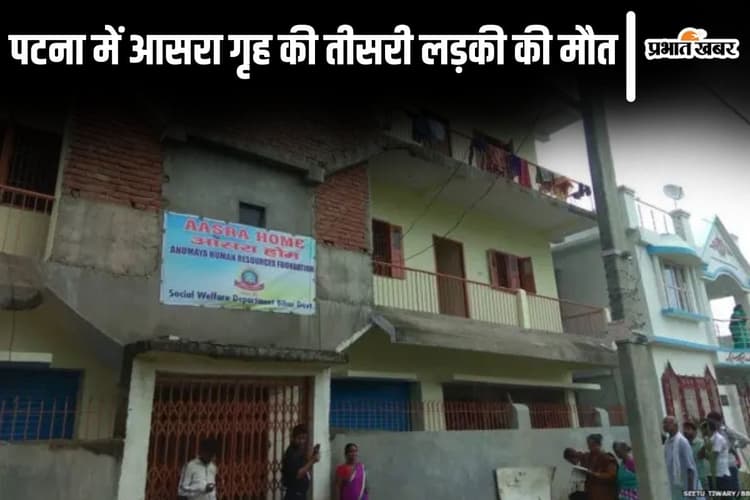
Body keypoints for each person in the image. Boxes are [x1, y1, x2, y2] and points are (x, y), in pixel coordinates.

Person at [562, 433, 617, 500]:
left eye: (592, 445)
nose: (589, 448)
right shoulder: (589, 457)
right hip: (592, 494)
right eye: (589, 445)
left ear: (599, 444)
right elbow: (579, 456)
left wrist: (594, 474)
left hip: (605, 494)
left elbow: (612, 476)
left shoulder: (607, 458)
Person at [706, 410, 749, 491]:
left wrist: (735, 447)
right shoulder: (711, 434)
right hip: (718, 468)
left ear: (719, 421)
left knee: (733, 490)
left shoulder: (726, 431)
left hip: (729, 464)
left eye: (712, 422)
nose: (711, 424)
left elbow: (745, 439)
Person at [663, 416, 700, 500]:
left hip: (686, 484)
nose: (664, 425)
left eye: (666, 423)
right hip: (674, 485)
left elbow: (690, 467)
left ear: (675, 425)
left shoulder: (682, 441)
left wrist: (691, 491)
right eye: (663, 423)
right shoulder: (667, 442)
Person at [281, 424, 320, 500]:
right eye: (299, 438)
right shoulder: (291, 453)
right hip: (294, 495)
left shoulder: (298, 451)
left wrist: (312, 456)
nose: (302, 441)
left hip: (301, 494)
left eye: (304, 438)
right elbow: (298, 474)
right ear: (293, 438)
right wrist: (312, 461)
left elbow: (304, 468)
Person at [703, 419, 733, 491]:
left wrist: (703, 452)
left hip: (721, 475)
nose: (703, 430)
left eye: (704, 428)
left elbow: (713, 457)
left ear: (709, 429)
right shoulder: (708, 439)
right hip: (712, 474)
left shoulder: (718, 438)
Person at [683, 421, 709, 492]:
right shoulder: (684, 445)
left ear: (695, 431)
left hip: (702, 477)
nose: (685, 431)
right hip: (690, 480)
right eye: (684, 429)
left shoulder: (701, 443)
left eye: (688, 429)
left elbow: (702, 456)